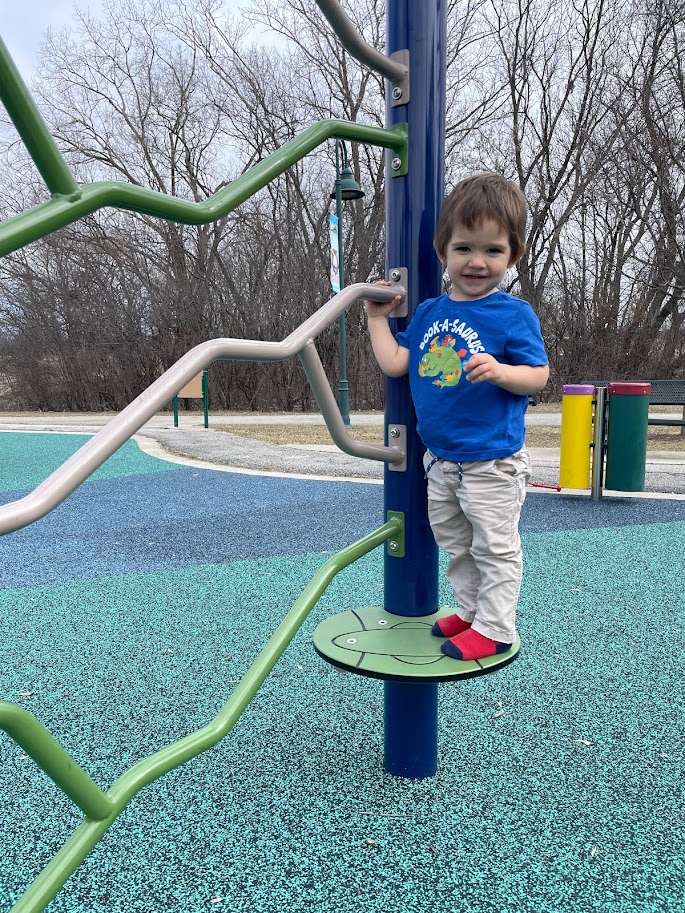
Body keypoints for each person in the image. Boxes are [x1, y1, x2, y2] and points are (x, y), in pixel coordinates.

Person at [365, 172, 549, 662]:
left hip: (491, 461)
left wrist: (502, 371)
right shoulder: (428, 312)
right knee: (455, 541)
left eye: (493, 251)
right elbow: (395, 364)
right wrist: (377, 319)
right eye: (465, 248)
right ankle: (471, 612)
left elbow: (538, 377)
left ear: (513, 256)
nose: (477, 262)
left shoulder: (512, 314)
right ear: (442, 249)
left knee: (493, 546)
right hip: (440, 461)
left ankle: (496, 627)